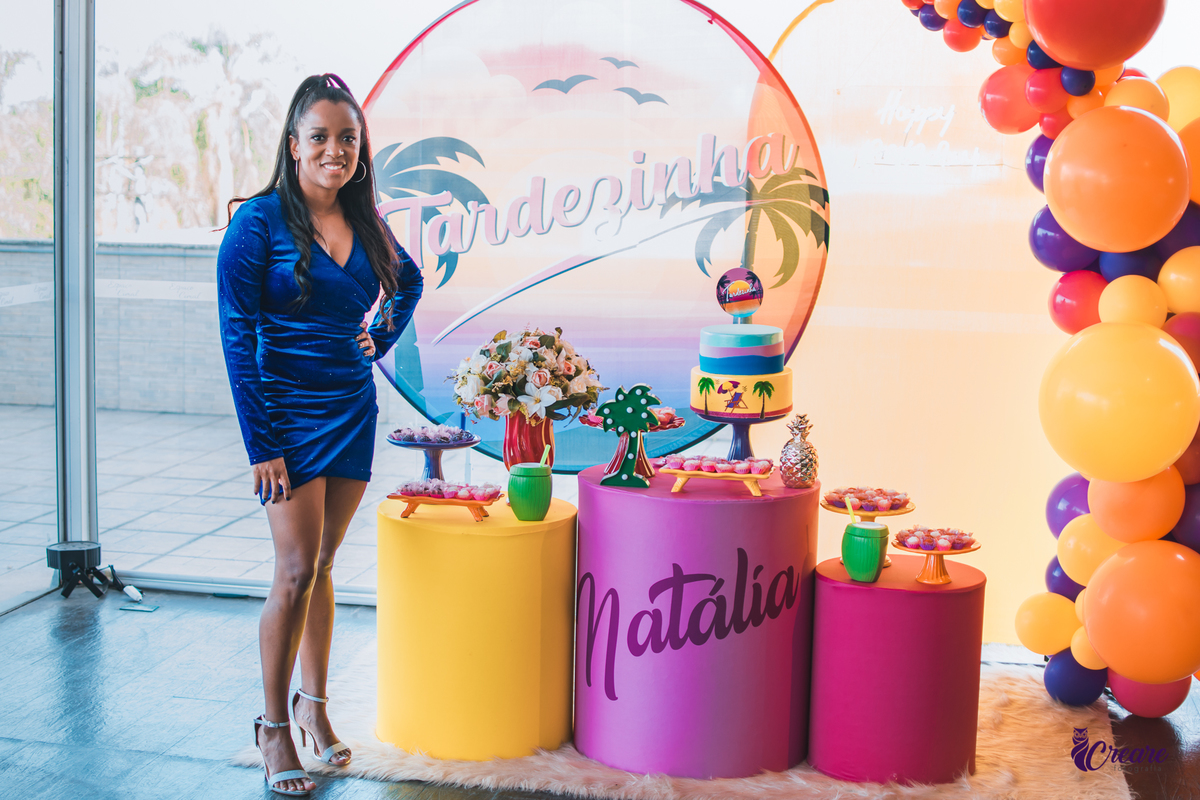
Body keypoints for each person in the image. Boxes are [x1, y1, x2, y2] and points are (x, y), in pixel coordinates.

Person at [217, 73, 422, 796]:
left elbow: (410, 282)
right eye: (321, 137)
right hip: (285, 415)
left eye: (348, 139)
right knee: (296, 569)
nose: (335, 150)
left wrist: (379, 336)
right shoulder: (257, 223)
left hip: (350, 407)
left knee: (325, 564)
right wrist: (261, 445)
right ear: (294, 143)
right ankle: (274, 727)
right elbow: (236, 335)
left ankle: (314, 706)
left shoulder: (366, 220)